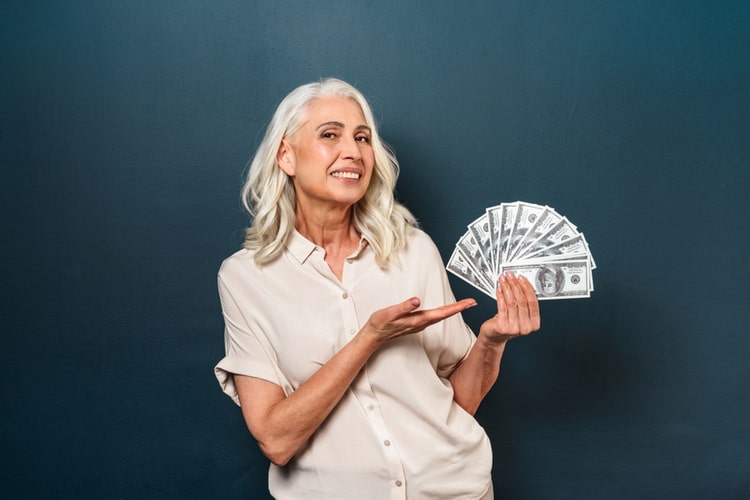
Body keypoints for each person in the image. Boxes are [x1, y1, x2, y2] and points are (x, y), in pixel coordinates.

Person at [214, 78, 541, 499]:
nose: (353, 151)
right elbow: (276, 441)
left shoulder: (414, 251)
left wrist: (491, 342)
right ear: (286, 155)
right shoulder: (245, 279)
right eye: (330, 134)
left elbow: (459, 404)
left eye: (363, 137)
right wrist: (368, 339)